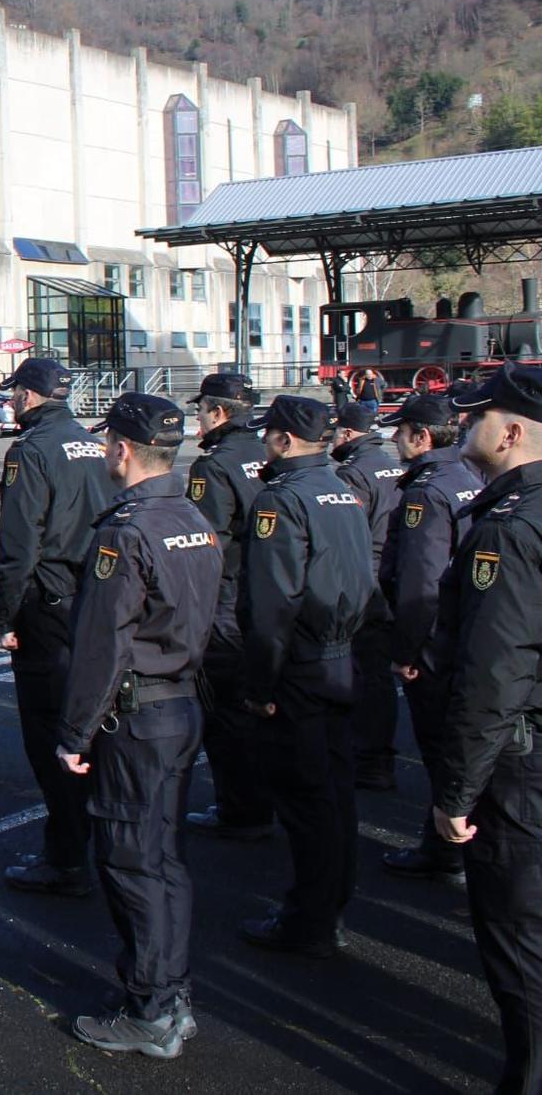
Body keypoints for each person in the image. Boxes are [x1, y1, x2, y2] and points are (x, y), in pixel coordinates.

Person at [54, 394, 221, 1059]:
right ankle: (170, 993)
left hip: (140, 714)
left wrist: (74, 733)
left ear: (123, 449)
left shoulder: (124, 531)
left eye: (106, 444)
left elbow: (103, 644)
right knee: (164, 858)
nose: (102, 453)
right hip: (180, 703)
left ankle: (152, 1006)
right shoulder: (193, 517)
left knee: (130, 858)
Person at [432, 366, 542, 1094]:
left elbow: (493, 676)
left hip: (522, 768)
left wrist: (456, 793)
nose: (462, 427)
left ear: (510, 432)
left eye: (475, 417)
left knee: (520, 932)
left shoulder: (508, 527)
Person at [238, 395, 374, 956]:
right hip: (343, 655)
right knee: (336, 793)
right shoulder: (343, 487)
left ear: (285, 440)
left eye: (270, 432)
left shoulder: (281, 500)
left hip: (302, 665)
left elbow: (273, 606)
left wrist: (261, 686)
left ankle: (309, 920)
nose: (265, 440)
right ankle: (331, 905)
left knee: (306, 798)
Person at [0, 356, 119, 895]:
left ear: (29, 395)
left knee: (50, 732)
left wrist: (4, 615)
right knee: (94, 724)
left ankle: (66, 854)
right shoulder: (98, 444)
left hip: (50, 604)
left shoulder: (31, 450)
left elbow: (20, 543)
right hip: (102, 597)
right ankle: (103, 842)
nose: (12, 401)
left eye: (16, 392)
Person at [374, 394, 480, 888]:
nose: (394, 439)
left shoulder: (425, 492)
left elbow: (420, 581)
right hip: (463, 632)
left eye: (401, 431)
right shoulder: (466, 477)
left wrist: (405, 651)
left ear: (421, 437)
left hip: (433, 641)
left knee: (438, 747)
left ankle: (445, 849)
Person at [182, 372, 275, 842]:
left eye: (201, 410)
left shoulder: (213, 467)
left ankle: (241, 808)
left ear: (218, 413)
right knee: (258, 709)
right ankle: (259, 797)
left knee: (226, 714)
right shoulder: (264, 454)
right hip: (265, 596)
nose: (197, 418)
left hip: (227, 600)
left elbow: (206, 542)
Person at [335, 401, 407, 789]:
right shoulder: (390, 463)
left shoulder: (353, 473)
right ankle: (378, 755)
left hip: (368, 579)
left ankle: (372, 758)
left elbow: (347, 532)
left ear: (347, 434)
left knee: (367, 674)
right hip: (391, 574)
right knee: (377, 674)